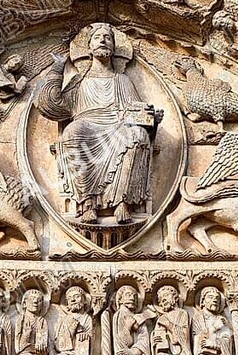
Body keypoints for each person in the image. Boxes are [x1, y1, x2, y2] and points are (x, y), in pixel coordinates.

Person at [35, 23, 155, 224]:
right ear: (88, 48)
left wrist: (151, 119)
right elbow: (53, 105)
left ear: (114, 49)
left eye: (108, 38)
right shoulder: (79, 80)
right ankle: (87, 202)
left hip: (118, 127)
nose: (103, 40)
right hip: (87, 126)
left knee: (137, 135)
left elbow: (137, 111)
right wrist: (57, 68)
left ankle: (122, 202)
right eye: (97, 37)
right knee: (73, 132)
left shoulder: (123, 80)